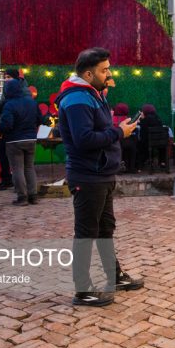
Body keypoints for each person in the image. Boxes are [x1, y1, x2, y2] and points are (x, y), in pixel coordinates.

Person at [56, 47, 144, 307]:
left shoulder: (93, 95)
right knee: (85, 232)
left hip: (101, 174)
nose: (109, 74)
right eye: (104, 70)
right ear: (87, 73)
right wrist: (119, 133)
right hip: (88, 176)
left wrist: (118, 130)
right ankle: (82, 290)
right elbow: (84, 140)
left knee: (105, 228)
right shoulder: (77, 99)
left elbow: (100, 130)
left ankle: (114, 276)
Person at [0, 79, 41, 206]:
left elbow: (7, 124)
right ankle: (33, 195)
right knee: (29, 167)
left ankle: (22, 197)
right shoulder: (32, 102)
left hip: (14, 140)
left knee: (17, 169)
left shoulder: (9, 104)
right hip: (31, 138)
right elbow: (40, 119)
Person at [0, 69, 30, 190]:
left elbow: (15, 109)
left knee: (19, 163)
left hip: (16, 130)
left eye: (8, 77)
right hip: (8, 127)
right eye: (5, 77)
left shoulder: (23, 91)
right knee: (2, 155)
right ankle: (8, 180)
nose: (6, 79)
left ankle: (20, 188)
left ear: (15, 78)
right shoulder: (8, 89)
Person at [137, 104, 166, 171]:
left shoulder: (145, 120)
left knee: (139, 144)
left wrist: (140, 120)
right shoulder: (158, 118)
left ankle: (140, 164)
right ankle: (162, 162)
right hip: (160, 142)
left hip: (148, 143)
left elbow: (142, 135)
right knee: (161, 146)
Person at [112, 103, 137, 173]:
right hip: (127, 142)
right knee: (133, 146)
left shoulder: (111, 119)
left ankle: (118, 169)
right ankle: (131, 167)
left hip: (115, 142)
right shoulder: (127, 119)